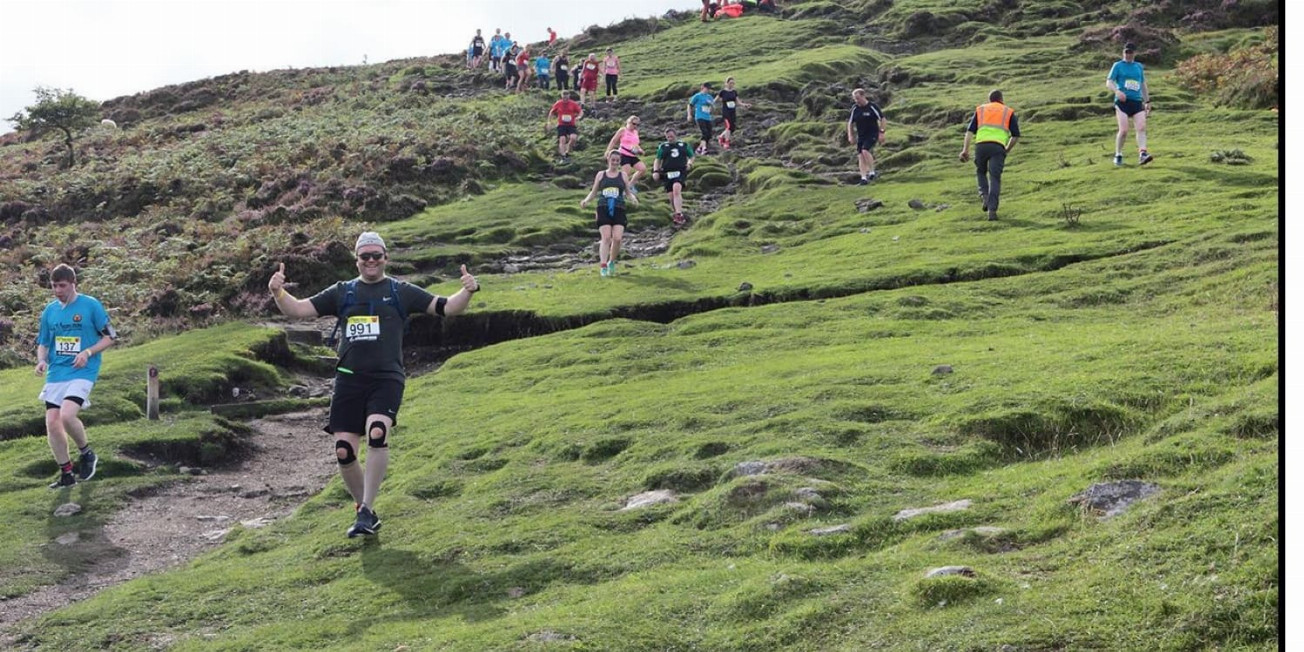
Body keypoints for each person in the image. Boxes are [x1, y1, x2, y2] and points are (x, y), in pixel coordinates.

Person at [268, 232, 479, 538]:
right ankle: (364, 511)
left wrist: (468, 292)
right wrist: (278, 293)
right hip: (348, 380)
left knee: (377, 433)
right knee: (343, 450)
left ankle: (367, 508)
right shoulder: (343, 292)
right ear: (356, 260)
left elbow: (446, 306)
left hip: (386, 378)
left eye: (376, 256)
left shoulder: (399, 290)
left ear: (385, 258)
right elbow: (299, 309)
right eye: (364, 256)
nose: (370, 261)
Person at [36, 263, 116, 489]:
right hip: (57, 373)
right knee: (52, 423)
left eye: (62, 286)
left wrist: (88, 352)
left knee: (67, 415)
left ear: (73, 284)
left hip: (83, 371)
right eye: (54, 286)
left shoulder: (90, 305)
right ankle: (67, 474)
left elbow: (110, 337)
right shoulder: (50, 311)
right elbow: (43, 342)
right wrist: (41, 360)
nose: (58, 290)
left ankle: (87, 454)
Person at [958, 89, 1020, 221]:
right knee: (995, 178)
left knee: (981, 172)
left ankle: (984, 196)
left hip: (981, 146)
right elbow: (1015, 136)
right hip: (998, 147)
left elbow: (969, 132)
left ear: (989, 99)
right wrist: (1007, 149)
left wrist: (965, 150)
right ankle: (992, 210)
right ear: (1001, 99)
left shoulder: (981, 110)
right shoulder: (1008, 111)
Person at [581, 150, 640, 277]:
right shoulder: (601, 174)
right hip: (603, 207)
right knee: (606, 237)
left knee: (617, 238)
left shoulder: (623, 175)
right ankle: (603, 265)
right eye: (613, 160)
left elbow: (628, 192)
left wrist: (633, 199)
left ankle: (611, 262)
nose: (615, 163)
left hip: (619, 207)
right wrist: (586, 200)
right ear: (608, 159)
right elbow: (594, 192)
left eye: (617, 161)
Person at [1107, 42, 1154, 166]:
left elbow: (1143, 84)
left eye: (1130, 52)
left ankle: (1143, 154)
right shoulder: (1117, 65)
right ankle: (1118, 154)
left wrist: (1147, 101)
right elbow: (1109, 82)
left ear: (1134, 53)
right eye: (1126, 52)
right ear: (1123, 53)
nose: (1128, 55)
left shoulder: (1138, 67)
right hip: (1123, 102)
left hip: (1137, 101)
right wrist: (1117, 91)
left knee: (1141, 127)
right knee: (1124, 130)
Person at [652, 126, 695, 227]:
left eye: (671, 136)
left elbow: (691, 156)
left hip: (680, 171)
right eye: (668, 137)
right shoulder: (663, 147)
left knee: (676, 189)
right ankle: (676, 212)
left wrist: (689, 164)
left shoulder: (683, 145)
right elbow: (657, 159)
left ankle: (679, 214)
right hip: (667, 173)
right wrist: (655, 171)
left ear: (675, 135)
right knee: (671, 196)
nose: (670, 138)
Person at [846, 88, 885, 185]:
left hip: (872, 133)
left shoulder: (872, 107)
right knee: (860, 155)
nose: (856, 101)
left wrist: (881, 132)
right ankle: (863, 178)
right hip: (861, 135)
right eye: (855, 99)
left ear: (863, 96)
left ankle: (872, 172)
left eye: (858, 98)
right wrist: (850, 135)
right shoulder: (855, 108)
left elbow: (883, 119)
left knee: (865, 150)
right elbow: (850, 123)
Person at [605, 115, 648, 192]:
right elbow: (614, 140)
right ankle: (621, 189)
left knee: (642, 169)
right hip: (623, 154)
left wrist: (640, 150)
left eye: (637, 125)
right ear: (629, 122)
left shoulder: (635, 132)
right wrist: (608, 151)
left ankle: (631, 185)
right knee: (626, 173)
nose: (635, 126)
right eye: (634, 124)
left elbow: (636, 144)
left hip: (633, 154)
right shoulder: (623, 130)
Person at [548, 90, 584, 162]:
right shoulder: (558, 103)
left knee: (573, 138)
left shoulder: (573, 103)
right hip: (562, 124)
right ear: (562, 97)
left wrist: (579, 117)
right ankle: (563, 156)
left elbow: (580, 111)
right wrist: (549, 122)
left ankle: (568, 151)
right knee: (562, 139)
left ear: (569, 96)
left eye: (567, 98)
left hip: (571, 124)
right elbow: (551, 112)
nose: (565, 99)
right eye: (564, 98)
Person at [715, 76, 750, 150]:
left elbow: (738, 102)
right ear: (726, 83)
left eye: (733, 83)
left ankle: (721, 136)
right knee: (728, 126)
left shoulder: (734, 92)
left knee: (732, 128)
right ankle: (726, 142)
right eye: (730, 83)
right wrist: (709, 105)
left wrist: (745, 105)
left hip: (732, 111)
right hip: (726, 111)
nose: (731, 85)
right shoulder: (723, 92)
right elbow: (715, 100)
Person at [688, 82, 716, 155]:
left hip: (707, 117)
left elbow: (712, 110)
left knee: (709, 134)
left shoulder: (710, 97)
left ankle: (699, 149)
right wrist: (689, 115)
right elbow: (690, 105)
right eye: (707, 88)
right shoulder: (697, 96)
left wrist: (711, 105)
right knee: (704, 132)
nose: (708, 90)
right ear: (702, 88)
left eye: (709, 89)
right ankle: (704, 149)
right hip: (700, 116)